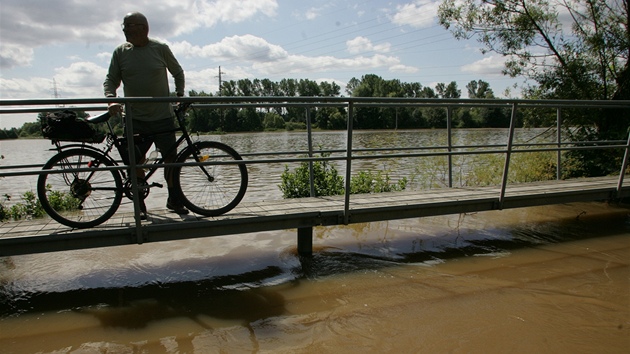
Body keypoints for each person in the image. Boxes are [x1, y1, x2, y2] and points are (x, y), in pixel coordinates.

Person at [103, 11, 188, 217]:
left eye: (128, 25)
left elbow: (178, 72)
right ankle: (139, 205)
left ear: (143, 28)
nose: (124, 29)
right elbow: (110, 81)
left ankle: (174, 200)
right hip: (135, 120)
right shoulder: (120, 52)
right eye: (124, 26)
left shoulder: (160, 49)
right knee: (135, 162)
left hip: (163, 118)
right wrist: (111, 99)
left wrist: (179, 95)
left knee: (171, 161)